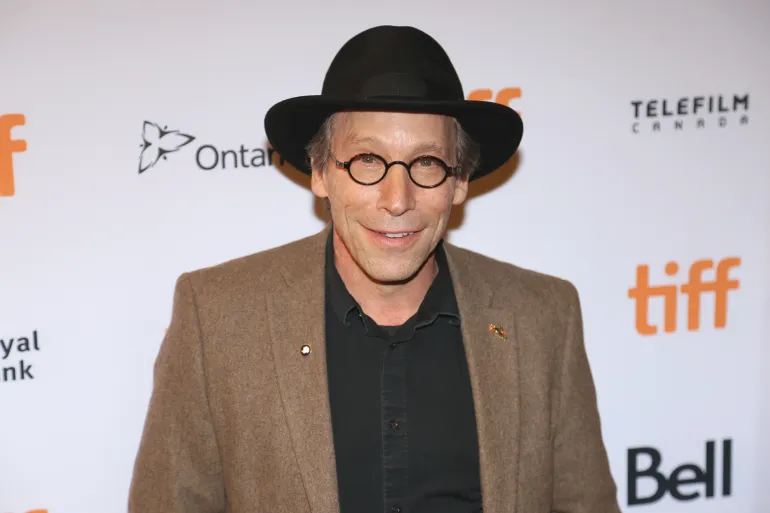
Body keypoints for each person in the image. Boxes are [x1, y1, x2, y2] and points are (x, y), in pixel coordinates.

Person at [128, 25, 621, 513]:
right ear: (320, 173)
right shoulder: (216, 318)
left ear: (459, 182)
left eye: (426, 163)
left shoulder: (543, 317)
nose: (397, 200)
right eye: (367, 159)